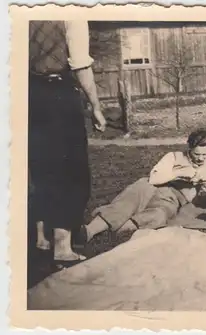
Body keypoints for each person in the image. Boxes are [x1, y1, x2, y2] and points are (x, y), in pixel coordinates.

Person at [28, 20, 107, 267]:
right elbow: (80, 63)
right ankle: (62, 246)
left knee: (40, 165)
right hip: (57, 92)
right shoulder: (70, 13)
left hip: (26, 92)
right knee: (71, 170)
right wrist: (95, 106)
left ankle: (41, 239)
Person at [77, 129, 206, 244]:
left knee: (158, 215)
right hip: (150, 186)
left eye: (204, 155)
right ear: (189, 148)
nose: (200, 158)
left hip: (172, 197)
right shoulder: (174, 156)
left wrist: (204, 189)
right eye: (196, 154)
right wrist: (179, 174)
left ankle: (118, 230)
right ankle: (89, 231)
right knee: (127, 202)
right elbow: (154, 178)